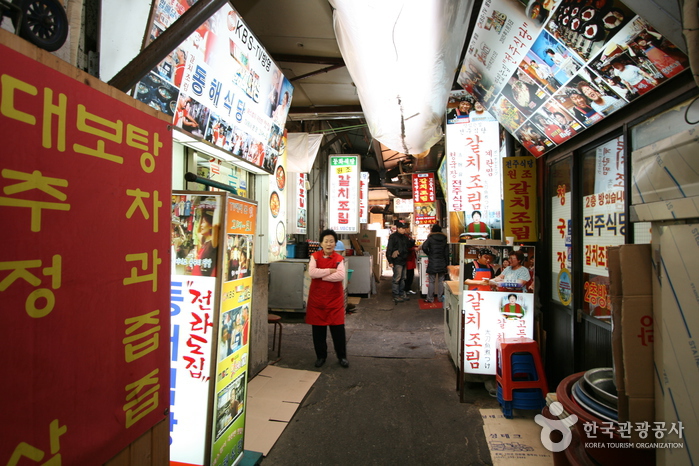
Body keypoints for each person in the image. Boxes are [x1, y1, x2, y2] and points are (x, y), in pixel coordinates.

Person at [305, 229, 349, 368]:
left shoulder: (339, 259)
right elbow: (312, 272)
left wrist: (321, 276)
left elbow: (341, 276)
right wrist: (330, 271)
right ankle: (321, 356)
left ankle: (342, 356)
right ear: (321, 243)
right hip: (317, 301)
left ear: (335, 243)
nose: (329, 244)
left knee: (338, 331)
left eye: (332, 241)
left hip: (334, 301)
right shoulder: (315, 256)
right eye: (326, 241)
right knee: (318, 331)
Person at [421, 224, 450, 303]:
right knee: (441, 281)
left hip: (433, 261)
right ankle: (440, 298)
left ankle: (430, 298)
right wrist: (447, 263)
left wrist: (429, 253)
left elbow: (424, 247)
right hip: (442, 261)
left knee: (431, 281)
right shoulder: (445, 238)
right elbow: (447, 253)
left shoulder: (430, 238)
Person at [386, 221, 411, 302]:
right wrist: (390, 261)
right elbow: (389, 249)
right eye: (402, 228)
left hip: (404, 260)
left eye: (405, 228)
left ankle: (402, 293)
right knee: (397, 278)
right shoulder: (393, 237)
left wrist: (412, 240)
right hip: (397, 261)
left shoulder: (405, 237)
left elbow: (408, 246)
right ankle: (396, 295)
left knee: (403, 278)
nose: (404, 230)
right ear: (398, 228)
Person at [192, 210, 217, 276]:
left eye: (203, 222)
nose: (201, 225)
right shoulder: (204, 241)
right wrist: (202, 214)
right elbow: (198, 232)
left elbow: (216, 226)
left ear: (211, 225)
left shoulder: (213, 243)